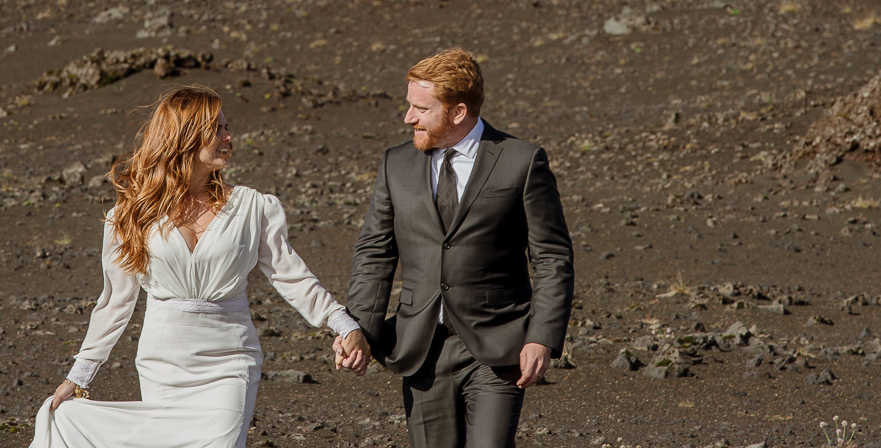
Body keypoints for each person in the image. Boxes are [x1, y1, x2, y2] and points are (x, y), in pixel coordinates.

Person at [30, 84, 369, 448]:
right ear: (186, 136)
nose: (229, 136)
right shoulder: (130, 216)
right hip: (163, 361)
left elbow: (292, 276)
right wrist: (79, 376)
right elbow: (115, 302)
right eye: (218, 128)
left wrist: (343, 324)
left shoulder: (253, 207)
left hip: (231, 361)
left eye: (226, 126)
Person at [341, 48, 574, 448]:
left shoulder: (521, 161)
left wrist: (542, 337)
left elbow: (552, 257)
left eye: (421, 108)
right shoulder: (394, 164)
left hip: (497, 347)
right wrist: (358, 328)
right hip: (420, 347)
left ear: (458, 112)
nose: (407, 117)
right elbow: (375, 254)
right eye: (409, 105)